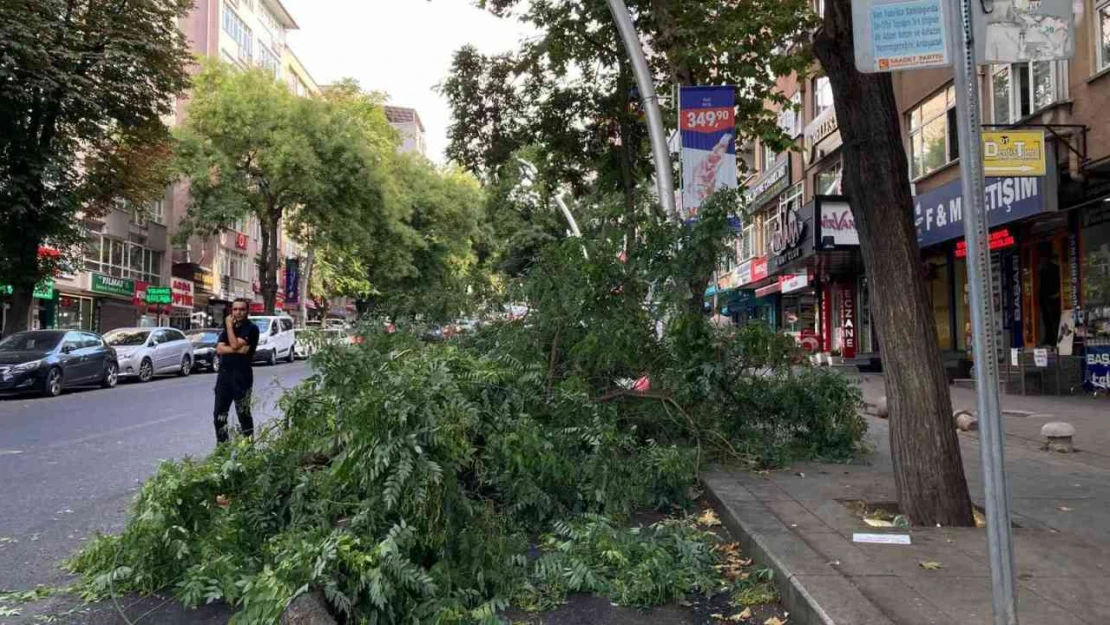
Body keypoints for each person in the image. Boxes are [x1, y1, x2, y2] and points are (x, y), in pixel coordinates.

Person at [213, 298, 259, 443]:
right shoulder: (227, 329)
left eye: (242, 309)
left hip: (242, 376)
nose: (238, 312)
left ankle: (248, 448)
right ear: (231, 311)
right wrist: (236, 349)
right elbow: (220, 349)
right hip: (224, 376)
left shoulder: (251, 328)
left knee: (243, 414)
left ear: (247, 311)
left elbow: (233, 344)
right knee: (219, 415)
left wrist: (229, 326)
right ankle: (223, 446)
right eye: (235, 309)